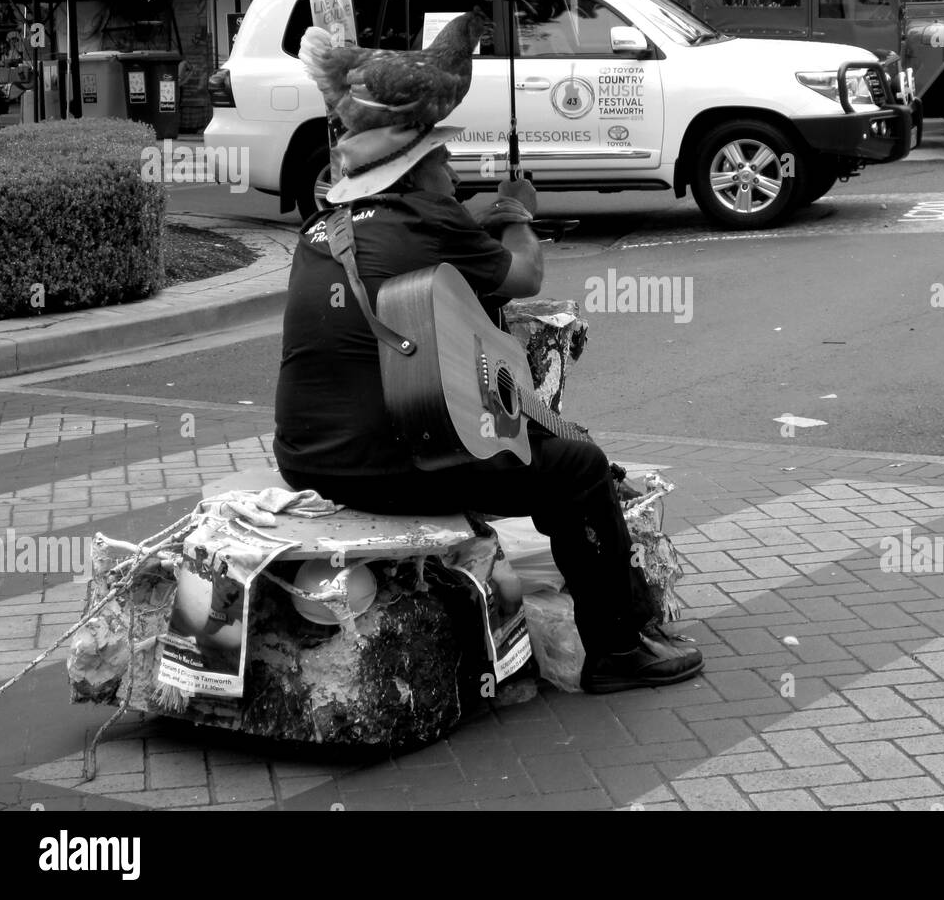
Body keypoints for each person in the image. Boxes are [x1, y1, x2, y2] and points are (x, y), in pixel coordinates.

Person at [273, 121, 702, 694]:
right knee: (579, 471)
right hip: (394, 466)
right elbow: (524, 275)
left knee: (536, 446)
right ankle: (618, 650)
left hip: (307, 460)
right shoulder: (434, 221)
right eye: (441, 161)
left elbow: (416, 255)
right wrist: (518, 212)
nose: (453, 173)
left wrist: (484, 218)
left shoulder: (322, 229)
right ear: (411, 174)